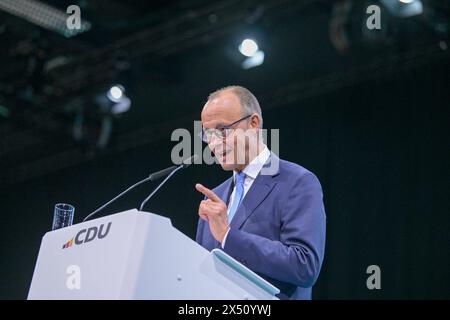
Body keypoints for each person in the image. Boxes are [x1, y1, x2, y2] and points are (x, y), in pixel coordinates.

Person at [195, 85, 326, 299]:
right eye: (208, 134)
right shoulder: (213, 199)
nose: (214, 144)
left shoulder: (297, 182)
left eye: (222, 130)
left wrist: (229, 236)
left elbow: (304, 265)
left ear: (253, 124)